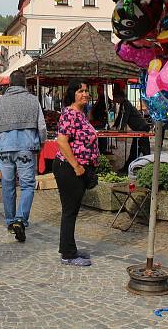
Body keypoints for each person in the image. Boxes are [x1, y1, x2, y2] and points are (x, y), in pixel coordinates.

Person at [0, 70, 46, 242]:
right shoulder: (32, 100)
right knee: (28, 185)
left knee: (7, 185)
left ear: (9, 84)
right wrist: (41, 142)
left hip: (5, 147)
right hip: (26, 148)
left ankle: (9, 220)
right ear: (25, 84)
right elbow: (42, 126)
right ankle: (21, 218)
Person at [53, 79, 99, 267]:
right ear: (72, 93)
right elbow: (62, 141)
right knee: (69, 211)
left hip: (77, 168)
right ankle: (68, 254)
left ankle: (70, 248)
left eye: (86, 91)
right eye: (80, 91)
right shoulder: (70, 114)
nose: (85, 94)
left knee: (72, 211)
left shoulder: (81, 114)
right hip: (69, 168)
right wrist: (76, 166)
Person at [113, 87, 151, 163]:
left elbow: (124, 117)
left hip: (142, 128)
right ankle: (130, 165)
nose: (115, 100)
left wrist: (120, 129)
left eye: (115, 98)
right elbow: (119, 117)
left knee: (143, 149)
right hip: (138, 129)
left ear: (121, 97)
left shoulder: (126, 104)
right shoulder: (123, 104)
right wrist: (114, 126)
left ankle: (148, 165)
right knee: (136, 149)